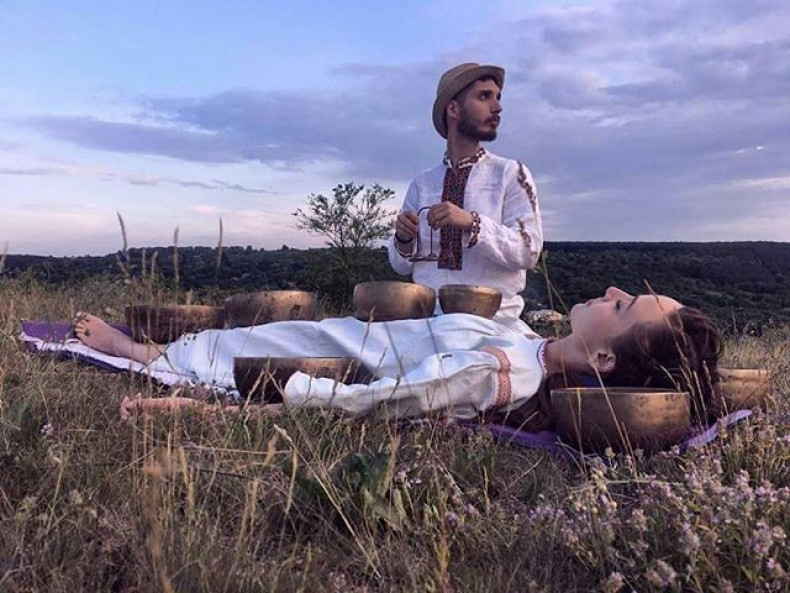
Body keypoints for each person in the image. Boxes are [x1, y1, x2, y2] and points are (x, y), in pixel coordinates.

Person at [72, 287, 723, 427]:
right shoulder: (523, 336)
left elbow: (376, 402)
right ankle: (154, 350)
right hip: (342, 333)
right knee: (265, 331)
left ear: (603, 359)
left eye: (623, 305)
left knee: (223, 353)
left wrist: (212, 416)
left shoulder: (498, 374)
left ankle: (143, 354)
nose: (611, 291)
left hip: (330, 359)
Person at [389, 62, 543, 331]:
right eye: (484, 96)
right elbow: (400, 266)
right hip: (425, 322)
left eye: (498, 97)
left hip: (493, 325)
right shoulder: (422, 184)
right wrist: (403, 239)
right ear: (453, 109)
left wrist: (473, 223)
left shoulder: (510, 174)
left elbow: (528, 251)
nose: (497, 107)